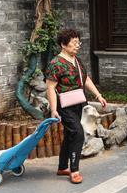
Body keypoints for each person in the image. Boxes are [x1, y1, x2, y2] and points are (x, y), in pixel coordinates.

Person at [44, 28, 107, 184]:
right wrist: (53, 110)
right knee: (78, 133)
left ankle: (62, 167)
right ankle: (74, 170)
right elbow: (50, 88)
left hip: (79, 103)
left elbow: (86, 79)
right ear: (63, 45)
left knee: (70, 134)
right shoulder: (55, 64)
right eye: (74, 42)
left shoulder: (77, 61)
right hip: (64, 106)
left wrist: (98, 96)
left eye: (78, 42)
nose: (78, 45)